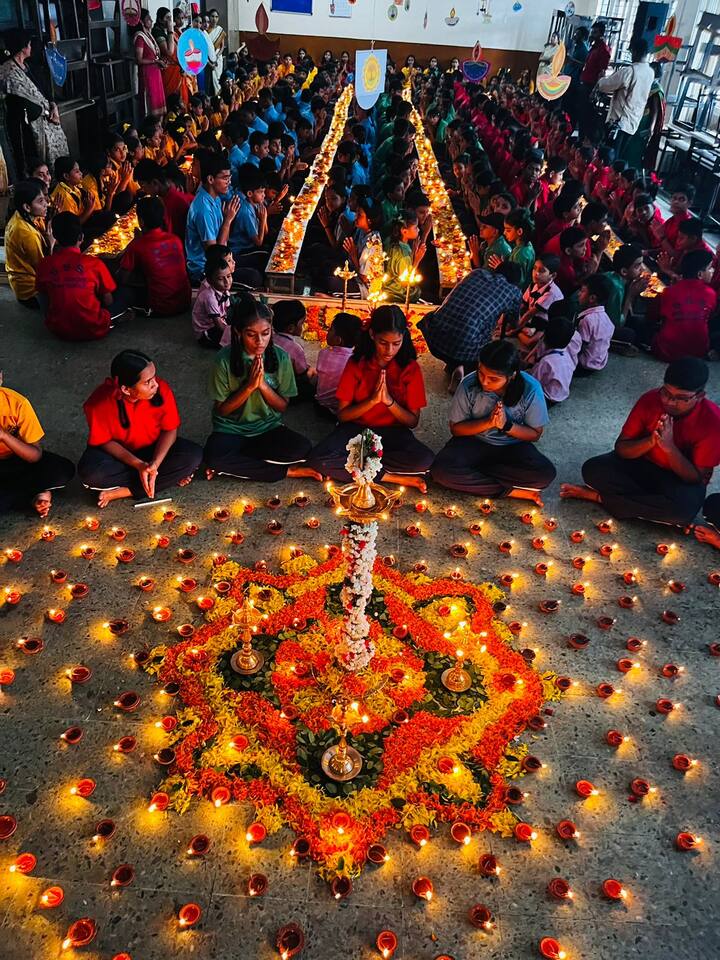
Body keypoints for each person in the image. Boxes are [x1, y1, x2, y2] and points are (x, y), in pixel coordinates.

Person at [561, 357, 720, 526]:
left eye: (682, 398)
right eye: (666, 393)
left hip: (677, 480)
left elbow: (695, 478)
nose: (670, 402)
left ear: (700, 396)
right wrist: (651, 441)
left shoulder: (713, 422)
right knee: (593, 470)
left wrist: (669, 448)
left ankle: (600, 498)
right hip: (642, 463)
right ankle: (641, 506)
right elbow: (622, 448)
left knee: (682, 511)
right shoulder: (650, 400)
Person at [302, 306, 434, 491]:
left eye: (396, 343)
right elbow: (343, 415)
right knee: (319, 459)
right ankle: (388, 476)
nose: (389, 350)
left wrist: (389, 402)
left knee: (425, 461)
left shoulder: (410, 368)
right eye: (383, 342)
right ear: (372, 335)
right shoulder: (357, 363)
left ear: (404, 337)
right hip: (356, 429)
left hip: (393, 431)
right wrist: (372, 401)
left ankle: (362, 464)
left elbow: (412, 421)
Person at [203, 293, 313, 482]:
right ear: (238, 332)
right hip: (231, 430)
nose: (260, 341)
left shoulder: (281, 357)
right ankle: (283, 471)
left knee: (303, 450)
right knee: (213, 457)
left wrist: (262, 385)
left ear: (272, 330)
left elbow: (282, 406)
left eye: (265, 333)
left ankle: (241, 462)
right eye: (251, 334)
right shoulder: (223, 360)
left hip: (267, 428)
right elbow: (222, 410)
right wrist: (248, 387)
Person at [431, 339, 556, 505]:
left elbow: (535, 434)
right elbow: (456, 429)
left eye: (493, 378)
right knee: (440, 471)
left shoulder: (530, 388)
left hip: (512, 446)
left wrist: (506, 426)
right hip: (474, 441)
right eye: (481, 373)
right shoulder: (469, 384)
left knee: (545, 474)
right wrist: (488, 423)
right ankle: (510, 491)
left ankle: (474, 472)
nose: (484, 382)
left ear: (511, 376)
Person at [78, 350, 201, 508]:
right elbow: (104, 441)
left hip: (153, 450)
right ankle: (164, 479)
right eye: (147, 382)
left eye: (154, 377)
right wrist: (138, 465)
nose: (155, 385)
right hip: (119, 456)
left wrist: (155, 464)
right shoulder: (98, 404)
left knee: (193, 456)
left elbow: (170, 430)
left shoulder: (161, 390)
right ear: (126, 389)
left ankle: (125, 491)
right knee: (90, 474)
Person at [419, 262, 523, 386]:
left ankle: (454, 365)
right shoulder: (513, 292)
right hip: (465, 352)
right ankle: (462, 368)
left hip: (433, 338)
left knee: (458, 323)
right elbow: (514, 323)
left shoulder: (476, 273)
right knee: (487, 338)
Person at [0, 372, 74, 518]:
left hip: (18, 459)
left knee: (62, 471)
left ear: (0, 377)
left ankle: (25, 494)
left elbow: (35, 455)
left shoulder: (17, 403)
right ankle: (33, 495)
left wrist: (4, 436)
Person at [35, 213, 119, 341]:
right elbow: (108, 301)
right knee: (123, 293)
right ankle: (115, 319)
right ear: (81, 237)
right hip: (93, 328)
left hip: (58, 329)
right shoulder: (94, 264)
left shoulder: (44, 264)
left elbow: (42, 295)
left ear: (55, 238)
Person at [0, 28, 69, 175]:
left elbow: (44, 91)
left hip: (48, 118)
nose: (31, 47)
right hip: (27, 128)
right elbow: (22, 104)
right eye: (29, 44)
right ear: (23, 47)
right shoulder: (8, 72)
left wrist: (53, 106)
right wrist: (44, 112)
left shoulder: (30, 67)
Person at [118, 195, 191, 317]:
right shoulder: (175, 240)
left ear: (141, 221)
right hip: (185, 302)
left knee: (122, 289)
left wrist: (136, 243)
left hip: (162, 308)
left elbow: (122, 278)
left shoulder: (137, 246)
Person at [185, 152, 240, 284]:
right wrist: (227, 220)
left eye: (230, 177)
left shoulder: (215, 199)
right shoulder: (203, 209)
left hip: (222, 259)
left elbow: (223, 240)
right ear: (210, 179)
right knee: (254, 276)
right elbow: (215, 255)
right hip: (205, 271)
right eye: (225, 178)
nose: (229, 182)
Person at [653, 250, 716, 362]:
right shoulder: (711, 294)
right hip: (698, 353)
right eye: (710, 268)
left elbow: (657, 317)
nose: (713, 270)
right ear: (700, 274)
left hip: (667, 352)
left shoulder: (669, 291)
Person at [596, 38, 654, 159]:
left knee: (608, 156)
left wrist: (601, 78)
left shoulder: (629, 71)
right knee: (618, 155)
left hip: (618, 122)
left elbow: (605, 85)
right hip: (633, 121)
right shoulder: (650, 72)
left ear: (635, 51)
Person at [4, 179, 48, 307]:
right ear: (27, 207)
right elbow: (43, 269)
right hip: (30, 292)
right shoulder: (26, 233)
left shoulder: (20, 216)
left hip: (19, 283)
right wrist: (50, 244)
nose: (46, 204)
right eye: (40, 201)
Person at [315, 312, 362, 417]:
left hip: (320, 405)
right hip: (342, 409)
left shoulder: (323, 353)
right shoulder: (355, 361)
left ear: (338, 340)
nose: (327, 332)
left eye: (331, 329)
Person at [133, 159, 194, 240]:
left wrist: (143, 239)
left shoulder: (174, 202)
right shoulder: (167, 194)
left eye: (143, 186)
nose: (143, 190)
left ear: (155, 182)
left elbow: (172, 238)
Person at [529, 315, 578, 405]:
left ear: (545, 338)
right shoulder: (567, 356)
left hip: (546, 398)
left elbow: (532, 382)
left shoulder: (546, 361)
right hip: (561, 394)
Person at [271, 300, 315, 400]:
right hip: (285, 390)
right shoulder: (295, 348)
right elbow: (302, 373)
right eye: (302, 323)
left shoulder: (269, 339)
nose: (303, 326)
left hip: (268, 384)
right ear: (291, 328)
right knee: (312, 379)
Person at [575, 274, 614, 374]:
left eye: (582, 291)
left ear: (592, 298)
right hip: (600, 363)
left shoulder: (586, 320)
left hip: (584, 365)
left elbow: (579, 346)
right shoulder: (606, 318)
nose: (579, 294)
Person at [382, 212, 425, 304]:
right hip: (396, 292)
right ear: (404, 231)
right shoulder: (403, 256)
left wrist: (413, 252)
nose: (418, 230)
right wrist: (417, 260)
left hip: (387, 284)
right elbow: (407, 282)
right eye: (415, 228)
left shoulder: (389, 240)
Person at [192, 255, 232, 348]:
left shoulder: (223, 289)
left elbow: (228, 310)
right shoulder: (209, 297)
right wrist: (234, 332)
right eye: (221, 279)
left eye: (229, 276)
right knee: (236, 341)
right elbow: (218, 325)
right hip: (207, 332)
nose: (227, 282)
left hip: (220, 319)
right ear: (210, 281)